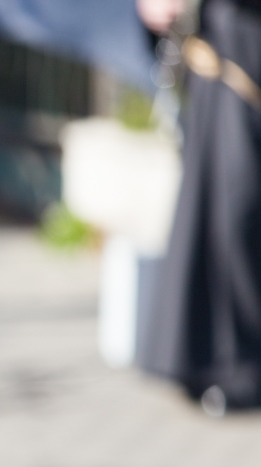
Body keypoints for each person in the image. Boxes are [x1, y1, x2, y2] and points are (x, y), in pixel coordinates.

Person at [138, 0, 261, 414]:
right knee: (208, 211)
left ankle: (243, 365)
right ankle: (204, 359)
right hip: (219, 46)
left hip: (248, 49)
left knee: (238, 213)